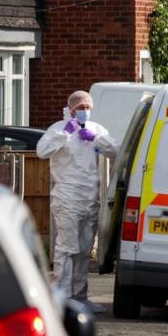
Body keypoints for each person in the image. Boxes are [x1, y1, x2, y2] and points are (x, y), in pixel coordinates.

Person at [37, 90, 119, 312]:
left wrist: (96, 139)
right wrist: (65, 134)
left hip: (89, 197)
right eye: (81, 108)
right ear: (71, 109)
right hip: (67, 197)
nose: (85, 111)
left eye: (88, 107)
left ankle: (80, 297)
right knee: (67, 248)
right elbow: (42, 151)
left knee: (83, 249)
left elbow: (116, 150)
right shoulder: (57, 129)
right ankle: (62, 299)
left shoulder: (97, 129)